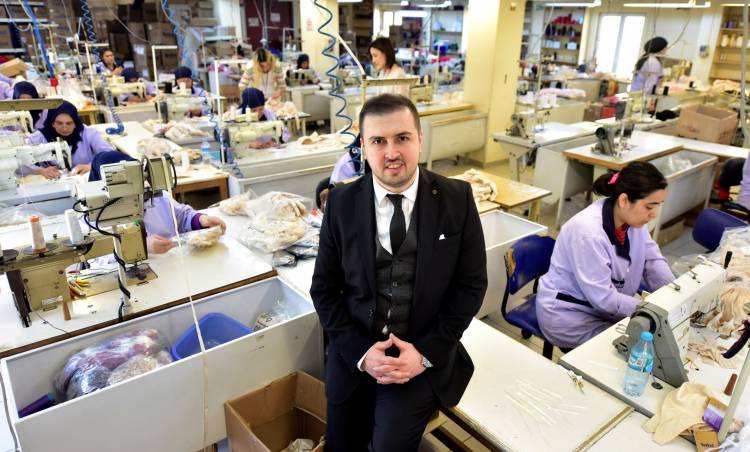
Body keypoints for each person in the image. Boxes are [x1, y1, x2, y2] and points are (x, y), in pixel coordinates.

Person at [310, 94, 487, 451]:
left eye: (402, 138)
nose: (391, 152)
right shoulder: (341, 203)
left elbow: (471, 286)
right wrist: (362, 353)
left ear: (420, 138)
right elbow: (324, 291)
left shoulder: (457, 199)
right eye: (378, 141)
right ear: (363, 147)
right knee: (341, 446)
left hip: (418, 354)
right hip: (357, 351)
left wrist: (424, 354)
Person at [536, 162, 675, 350]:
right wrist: (652, 310)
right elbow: (603, 298)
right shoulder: (588, 233)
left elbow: (652, 261)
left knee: (649, 342)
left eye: (659, 205)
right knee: (633, 351)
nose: (654, 214)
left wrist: (674, 293)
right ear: (624, 200)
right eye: (650, 207)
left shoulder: (631, 219)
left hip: (602, 309)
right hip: (569, 316)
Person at [88, 151, 226, 254]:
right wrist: (142, 245)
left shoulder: (154, 196)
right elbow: (97, 256)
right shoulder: (95, 216)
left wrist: (201, 220)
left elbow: (181, 216)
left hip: (172, 265)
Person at [24, 100, 115, 179]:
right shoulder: (37, 138)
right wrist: (40, 171)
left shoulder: (89, 133)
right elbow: (20, 165)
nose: (64, 128)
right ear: (52, 123)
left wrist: (92, 166)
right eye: (59, 123)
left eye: (69, 123)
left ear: (75, 123)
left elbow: (110, 155)